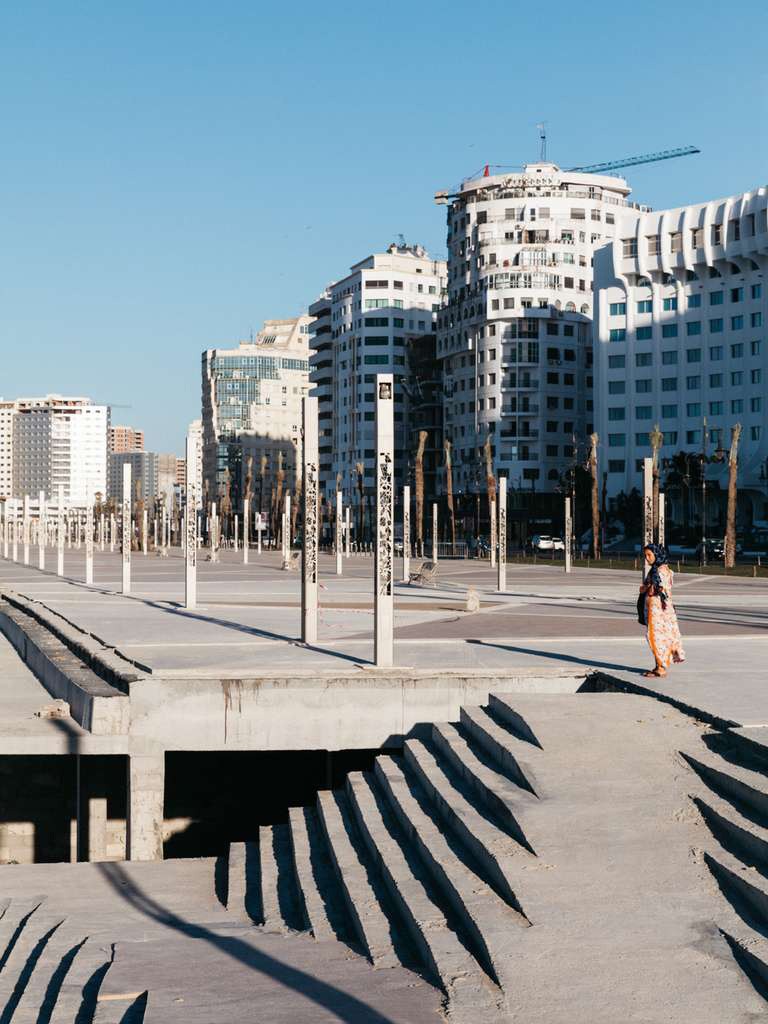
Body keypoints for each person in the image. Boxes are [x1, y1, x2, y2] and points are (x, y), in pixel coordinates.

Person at [639, 543, 685, 678]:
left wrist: (647, 587)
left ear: (657, 555)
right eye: (645, 555)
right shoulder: (663, 570)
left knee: (656, 637)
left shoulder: (660, 572)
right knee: (661, 636)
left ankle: (661, 667)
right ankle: (658, 665)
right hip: (660, 609)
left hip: (658, 610)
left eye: (649, 555)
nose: (647, 559)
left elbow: (652, 590)